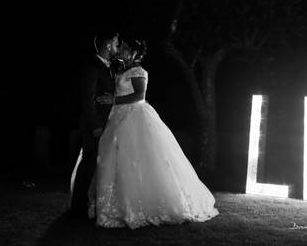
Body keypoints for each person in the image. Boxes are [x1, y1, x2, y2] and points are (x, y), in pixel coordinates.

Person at [87, 36, 218, 228]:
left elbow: (139, 95)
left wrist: (113, 100)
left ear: (133, 52)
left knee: (138, 158)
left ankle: (143, 205)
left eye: (125, 48)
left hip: (135, 118)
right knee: (116, 159)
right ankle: (115, 204)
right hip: (117, 118)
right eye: (121, 47)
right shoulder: (121, 70)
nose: (121, 50)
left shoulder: (139, 71)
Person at [69, 30, 119, 218]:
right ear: (108, 45)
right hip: (95, 124)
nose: (117, 47)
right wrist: (95, 124)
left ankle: (92, 203)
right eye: (116, 43)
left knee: (98, 164)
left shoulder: (110, 67)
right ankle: (78, 207)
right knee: (89, 162)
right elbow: (87, 99)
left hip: (108, 122)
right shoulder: (92, 66)